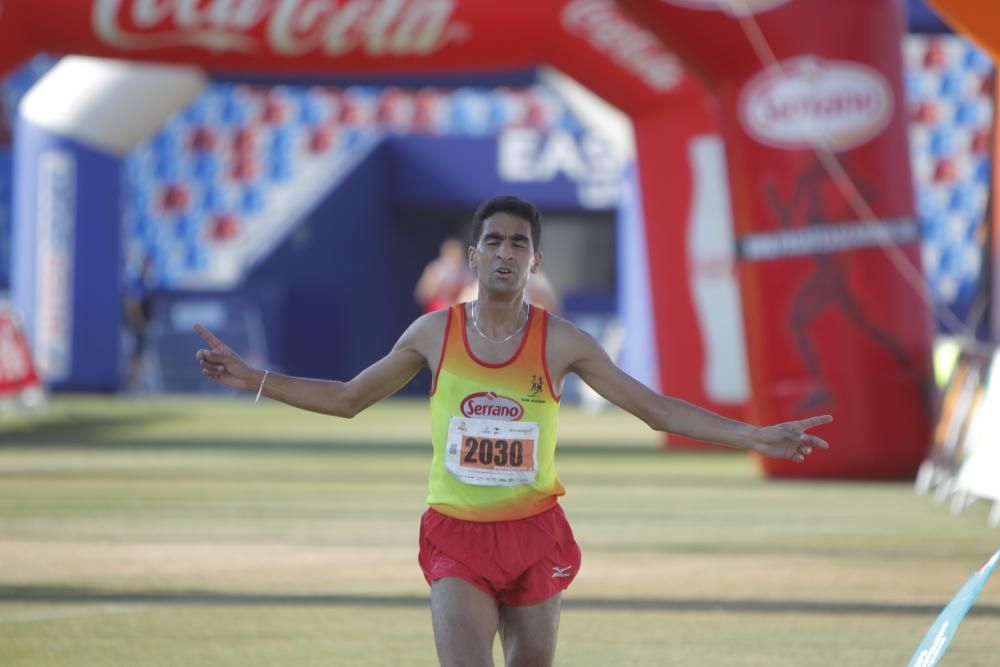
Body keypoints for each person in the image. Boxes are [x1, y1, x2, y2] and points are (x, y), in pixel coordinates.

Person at [194, 194, 832, 667]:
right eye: (493, 242)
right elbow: (348, 398)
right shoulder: (432, 335)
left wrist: (754, 436)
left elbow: (654, 408)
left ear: (535, 259)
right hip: (456, 537)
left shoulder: (561, 343)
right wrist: (255, 378)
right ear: (473, 255)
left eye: (518, 244)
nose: (505, 253)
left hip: (534, 536)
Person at [415, 237, 476, 313]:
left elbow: (473, 292)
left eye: (457, 253)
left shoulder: (466, 271)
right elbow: (421, 295)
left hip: (457, 314)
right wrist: (439, 286)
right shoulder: (437, 269)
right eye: (452, 253)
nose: (455, 255)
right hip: (437, 313)